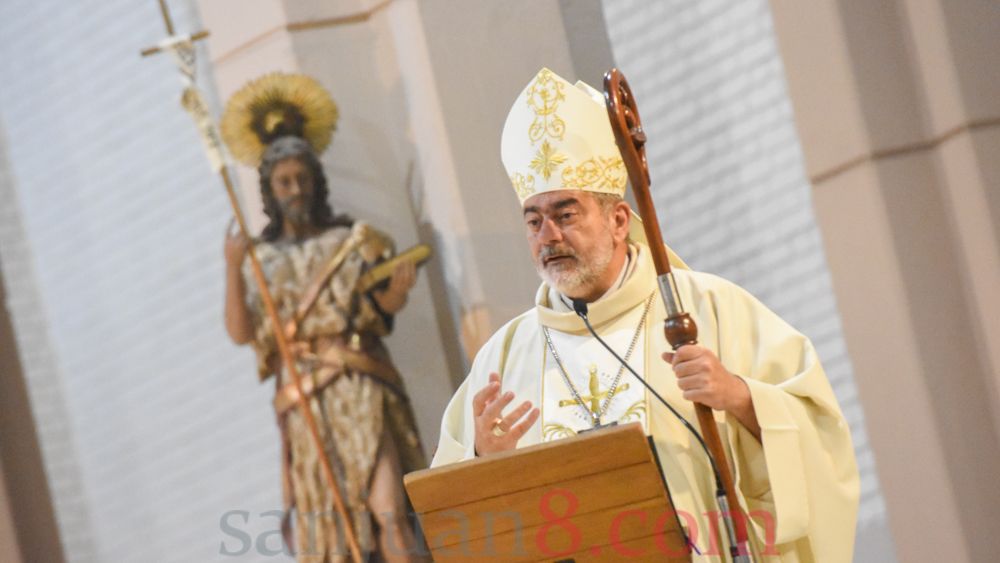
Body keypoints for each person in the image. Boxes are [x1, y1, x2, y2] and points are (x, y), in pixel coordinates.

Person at [431, 68, 859, 561]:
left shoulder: (706, 309)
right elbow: (451, 510)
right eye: (534, 221)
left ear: (617, 221)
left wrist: (738, 396)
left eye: (566, 215)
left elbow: (822, 436)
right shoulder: (505, 356)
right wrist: (483, 461)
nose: (548, 236)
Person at [221, 73, 426, 562]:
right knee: (331, 533)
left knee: (388, 510)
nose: (296, 189)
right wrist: (231, 267)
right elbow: (241, 333)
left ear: (317, 180)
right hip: (305, 400)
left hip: (359, 385)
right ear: (269, 188)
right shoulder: (259, 260)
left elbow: (376, 311)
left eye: (302, 178)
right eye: (284, 181)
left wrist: (393, 297)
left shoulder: (351, 241)